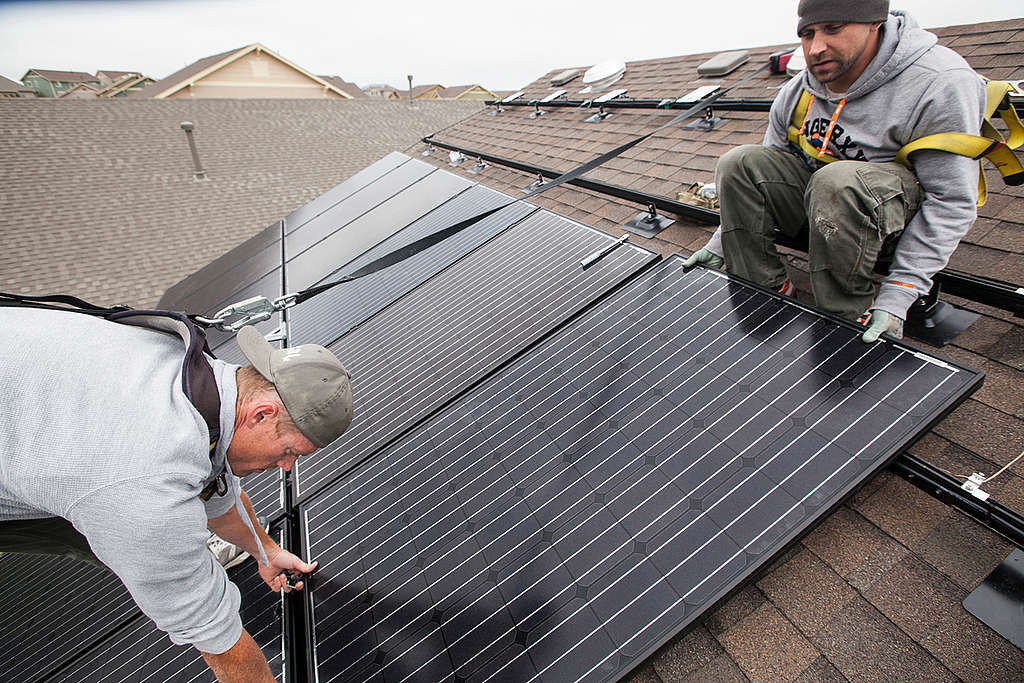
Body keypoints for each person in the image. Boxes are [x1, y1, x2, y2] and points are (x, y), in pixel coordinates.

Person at [0, 310, 353, 683]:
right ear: (262, 414)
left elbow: (213, 480)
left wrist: (266, 551)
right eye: (290, 451)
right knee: (127, 539)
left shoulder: (195, 376)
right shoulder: (144, 483)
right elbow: (220, 642)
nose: (286, 466)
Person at [683, 0, 985, 342]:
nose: (816, 48)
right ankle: (766, 293)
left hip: (887, 225)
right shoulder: (799, 90)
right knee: (739, 161)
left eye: (834, 28)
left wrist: (901, 291)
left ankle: (845, 322)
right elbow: (762, 176)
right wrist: (723, 241)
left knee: (837, 181)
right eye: (808, 33)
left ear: (875, 23)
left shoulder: (939, 81)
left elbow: (952, 201)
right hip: (823, 213)